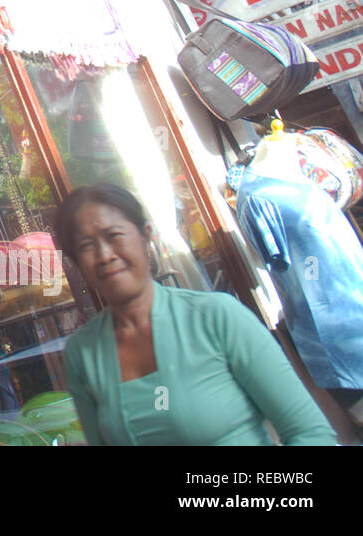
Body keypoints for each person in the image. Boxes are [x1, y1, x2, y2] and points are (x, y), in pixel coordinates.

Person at [55, 183, 336, 446]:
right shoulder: (83, 353)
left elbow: (310, 434)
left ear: (146, 237)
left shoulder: (217, 318)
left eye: (113, 236)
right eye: (86, 246)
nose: (104, 255)